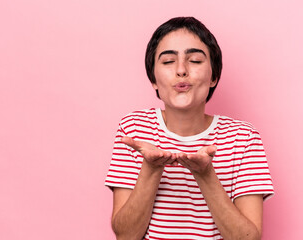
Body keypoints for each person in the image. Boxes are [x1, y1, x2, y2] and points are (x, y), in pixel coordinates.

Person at [105, 17, 274, 240]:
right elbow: (125, 236)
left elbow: (248, 238)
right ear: (153, 79)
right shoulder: (133, 129)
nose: (181, 70)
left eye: (194, 60)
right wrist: (151, 168)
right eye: (168, 62)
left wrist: (205, 175)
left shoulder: (243, 138)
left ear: (214, 76)